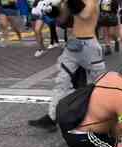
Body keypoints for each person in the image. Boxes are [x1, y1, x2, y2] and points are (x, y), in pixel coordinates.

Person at [28, 0, 107, 131]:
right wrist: (52, 10)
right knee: (62, 81)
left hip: (90, 47)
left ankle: (107, 114)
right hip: (73, 46)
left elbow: (85, 14)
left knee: (100, 82)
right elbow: (62, 19)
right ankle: (52, 118)